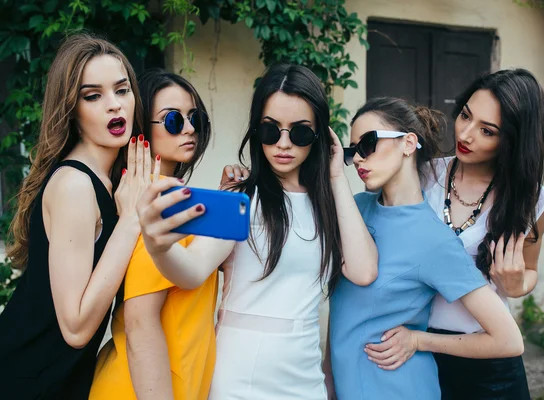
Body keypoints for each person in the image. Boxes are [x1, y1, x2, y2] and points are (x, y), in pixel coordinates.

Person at [135, 63, 378, 400]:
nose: (283, 143)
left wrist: (336, 178)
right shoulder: (240, 196)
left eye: (300, 132)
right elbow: (192, 270)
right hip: (241, 374)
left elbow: (364, 270)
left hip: (305, 373)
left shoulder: (328, 204)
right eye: (270, 130)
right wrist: (159, 246)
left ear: (319, 135)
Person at [366, 69, 544, 399]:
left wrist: (516, 284)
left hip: (489, 364)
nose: (466, 134)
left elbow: (530, 271)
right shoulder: (422, 175)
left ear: (512, 139)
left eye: (487, 131)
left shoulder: (531, 200)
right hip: (414, 354)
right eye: (465, 115)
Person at [327, 97, 524, 400]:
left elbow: (509, 340)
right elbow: (342, 315)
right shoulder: (355, 209)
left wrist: (420, 340)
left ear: (408, 143)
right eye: (352, 152)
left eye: (368, 144)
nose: (358, 160)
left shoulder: (434, 240)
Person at [0, 33, 153, 399]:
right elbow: (76, 328)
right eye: (93, 96)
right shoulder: (75, 185)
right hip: (24, 378)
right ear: (72, 108)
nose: (114, 106)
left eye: (122, 90)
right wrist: (131, 219)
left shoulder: (112, 181)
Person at [89, 69, 215, 400]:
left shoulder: (167, 199)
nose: (189, 129)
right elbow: (140, 323)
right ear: (143, 129)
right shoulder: (156, 204)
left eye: (195, 118)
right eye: (173, 120)